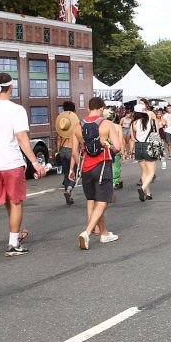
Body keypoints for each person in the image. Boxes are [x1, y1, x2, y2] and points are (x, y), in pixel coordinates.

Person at [0, 72, 47, 260]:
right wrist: (35, 162)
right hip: (12, 164)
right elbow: (22, 138)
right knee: (15, 203)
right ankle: (13, 244)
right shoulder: (16, 110)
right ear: (11, 87)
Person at [69, 96, 122, 249]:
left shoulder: (78, 126)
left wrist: (79, 165)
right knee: (102, 201)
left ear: (88, 108)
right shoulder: (107, 124)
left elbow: (74, 152)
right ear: (101, 109)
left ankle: (104, 233)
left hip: (86, 167)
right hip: (102, 165)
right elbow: (117, 147)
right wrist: (108, 147)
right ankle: (86, 232)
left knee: (94, 199)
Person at [132, 104, 159, 201]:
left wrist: (131, 151)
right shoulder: (152, 121)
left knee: (144, 171)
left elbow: (132, 138)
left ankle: (147, 194)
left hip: (138, 146)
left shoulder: (134, 123)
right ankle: (142, 189)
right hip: (149, 145)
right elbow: (156, 135)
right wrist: (158, 150)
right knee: (151, 172)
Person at [55, 101, 80, 205]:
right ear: (74, 109)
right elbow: (79, 137)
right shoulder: (75, 122)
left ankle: (68, 195)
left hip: (62, 150)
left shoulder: (62, 122)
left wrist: (58, 151)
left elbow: (58, 139)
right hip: (72, 150)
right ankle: (69, 190)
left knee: (66, 174)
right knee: (74, 172)